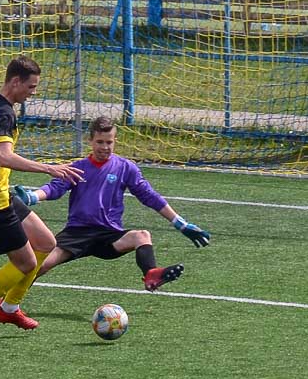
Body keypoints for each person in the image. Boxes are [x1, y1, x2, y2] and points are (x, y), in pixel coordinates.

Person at [0, 55, 85, 342]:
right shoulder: (4, 114)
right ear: (15, 81)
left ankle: (10, 307)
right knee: (25, 263)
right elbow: (5, 156)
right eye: (31, 87)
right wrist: (51, 169)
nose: (33, 93)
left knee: (47, 243)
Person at [14, 115, 211, 292]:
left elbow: (150, 196)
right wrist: (33, 196)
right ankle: (6, 301)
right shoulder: (78, 168)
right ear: (90, 141)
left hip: (109, 235)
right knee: (42, 264)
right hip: (78, 232)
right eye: (100, 142)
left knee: (142, 236)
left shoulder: (126, 168)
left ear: (115, 141)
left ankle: (151, 274)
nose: (104, 147)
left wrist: (180, 223)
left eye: (109, 142)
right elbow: (54, 188)